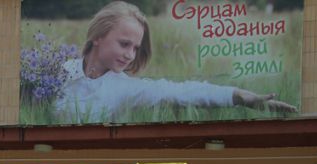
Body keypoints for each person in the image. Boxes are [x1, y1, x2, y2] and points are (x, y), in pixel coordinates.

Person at [54, 1, 297, 122]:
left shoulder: (126, 87)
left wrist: (240, 96)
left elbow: (182, 92)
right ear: (97, 36)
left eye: (136, 48)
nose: (130, 55)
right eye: (124, 44)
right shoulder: (55, 72)